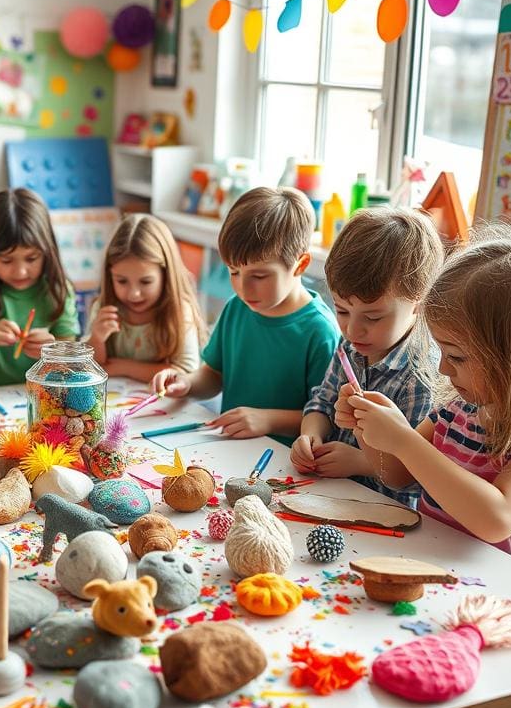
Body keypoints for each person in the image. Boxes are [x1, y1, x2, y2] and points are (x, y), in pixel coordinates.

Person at [340, 223, 511, 563]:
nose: (443, 369)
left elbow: (497, 518)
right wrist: (369, 428)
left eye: (457, 356)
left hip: (499, 592)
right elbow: (398, 475)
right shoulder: (455, 410)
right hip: (431, 565)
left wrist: (403, 440)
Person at [154, 186, 339, 444]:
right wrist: (187, 383)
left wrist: (268, 420)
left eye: (260, 276)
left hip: (287, 464)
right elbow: (214, 375)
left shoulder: (321, 331)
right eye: (233, 272)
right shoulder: (236, 307)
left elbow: (328, 418)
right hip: (230, 449)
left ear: (301, 265)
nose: (243, 287)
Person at [290, 208, 443, 506]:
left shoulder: (422, 375)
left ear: (417, 304)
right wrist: (310, 436)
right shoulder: (351, 348)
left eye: (373, 317)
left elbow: (417, 475)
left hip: (387, 515)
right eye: (342, 310)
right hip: (332, 498)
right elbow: (321, 403)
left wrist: (360, 462)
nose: (352, 329)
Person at [0, 188, 79, 387]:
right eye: (6, 260)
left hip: (44, 398)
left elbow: (73, 364)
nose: (20, 272)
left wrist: (52, 349)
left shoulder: (58, 290)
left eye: (32, 258)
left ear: (47, 250)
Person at [86, 213, 204, 382]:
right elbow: (92, 369)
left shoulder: (179, 311)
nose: (134, 294)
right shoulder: (104, 309)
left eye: (146, 282)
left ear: (166, 275)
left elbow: (186, 372)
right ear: (109, 275)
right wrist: (96, 339)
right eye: (122, 281)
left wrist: (122, 367)